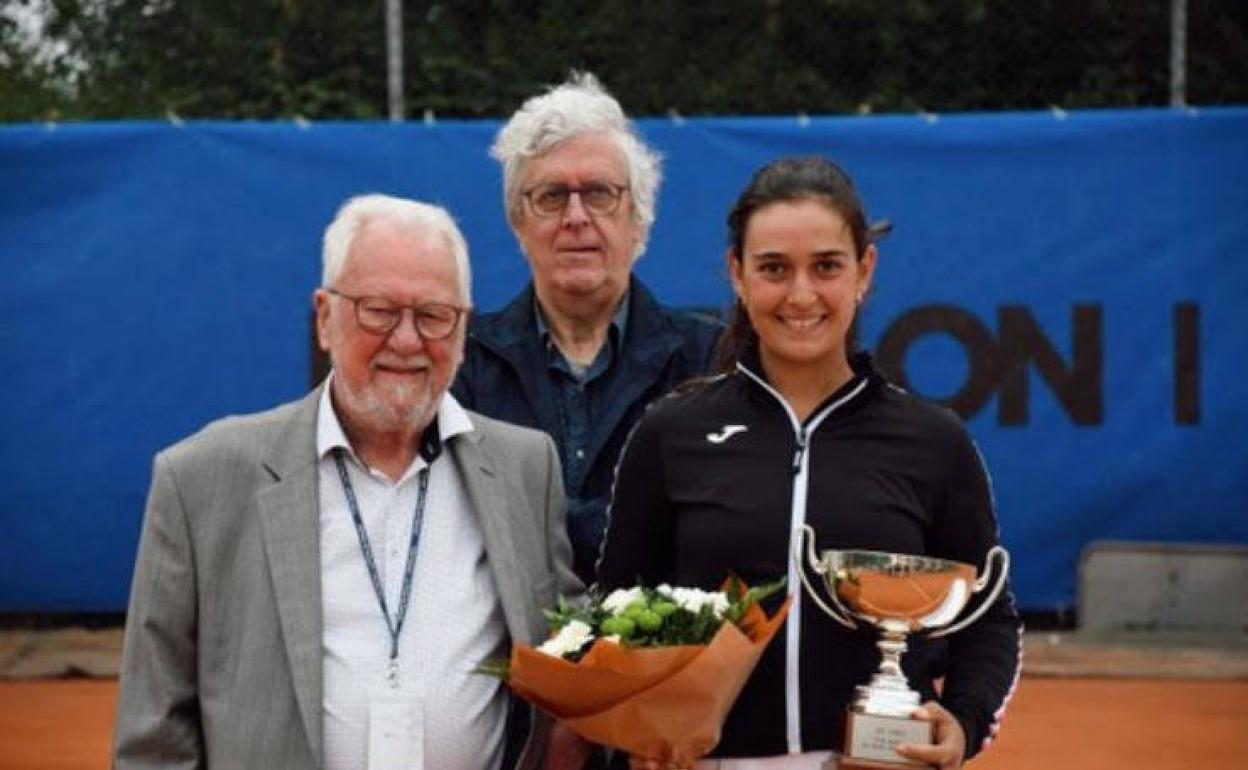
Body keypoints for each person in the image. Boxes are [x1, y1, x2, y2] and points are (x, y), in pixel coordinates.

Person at [113, 194, 582, 770]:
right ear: (325, 317)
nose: (407, 341)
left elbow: (565, 669)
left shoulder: (526, 469)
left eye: (434, 315)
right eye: (378, 310)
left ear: (462, 330)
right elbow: (154, 738)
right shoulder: (202, 478)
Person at [597, 157, 1021, 770]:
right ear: (738, 276)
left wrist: (964, 720)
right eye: (774, 268)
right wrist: (639, 727)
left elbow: (989, 618)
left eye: (826, 266)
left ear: (864, 272)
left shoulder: (934, 441)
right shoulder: (671, 432)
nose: (801, 295)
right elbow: (617, 608)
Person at [452, 72, 722, 586]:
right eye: (552, 196)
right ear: (518, 221)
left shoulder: (708, 360)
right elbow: (462, 527)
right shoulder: (462, 362)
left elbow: (712, 528)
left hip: (664, 660)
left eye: (599, 193)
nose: (575, 217)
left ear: (638, 218)